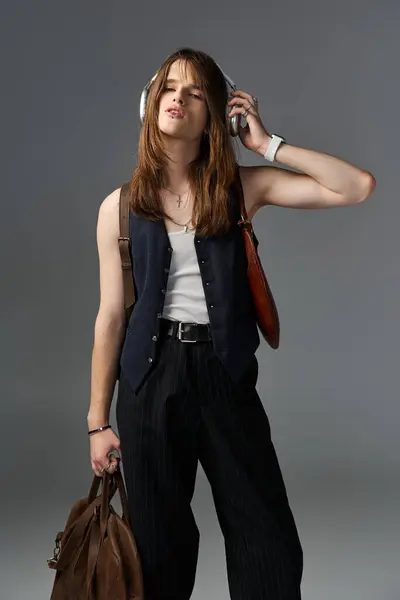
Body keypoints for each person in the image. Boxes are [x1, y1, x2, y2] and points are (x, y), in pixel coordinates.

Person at [87, 47, 376, 600]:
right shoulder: (119, 207)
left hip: (225, 374)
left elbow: (355, 186)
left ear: (218, 115)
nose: (178, 99)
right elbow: (108, 319)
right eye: (169, 88)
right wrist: (98, 421)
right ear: (150, 105)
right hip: (150, 380)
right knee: (156, 546)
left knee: (266, 536)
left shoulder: (243, 187)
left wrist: (268, 144)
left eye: (196, 93)